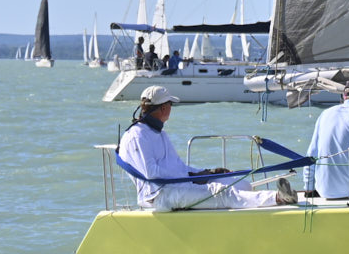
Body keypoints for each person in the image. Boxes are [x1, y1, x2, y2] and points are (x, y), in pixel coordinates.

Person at [118, 86, 295, 211]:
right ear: (164, 108)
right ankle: (278, 198)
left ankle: (254, 203)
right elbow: (151, 173)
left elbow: (179, 167)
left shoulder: (159, 133)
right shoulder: (137, 136)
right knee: (221, 193)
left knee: (243, 184)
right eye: (171, 105)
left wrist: (205, 173)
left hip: (178, 185)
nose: (171, 109)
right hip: (159, 196)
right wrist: (191, 178)